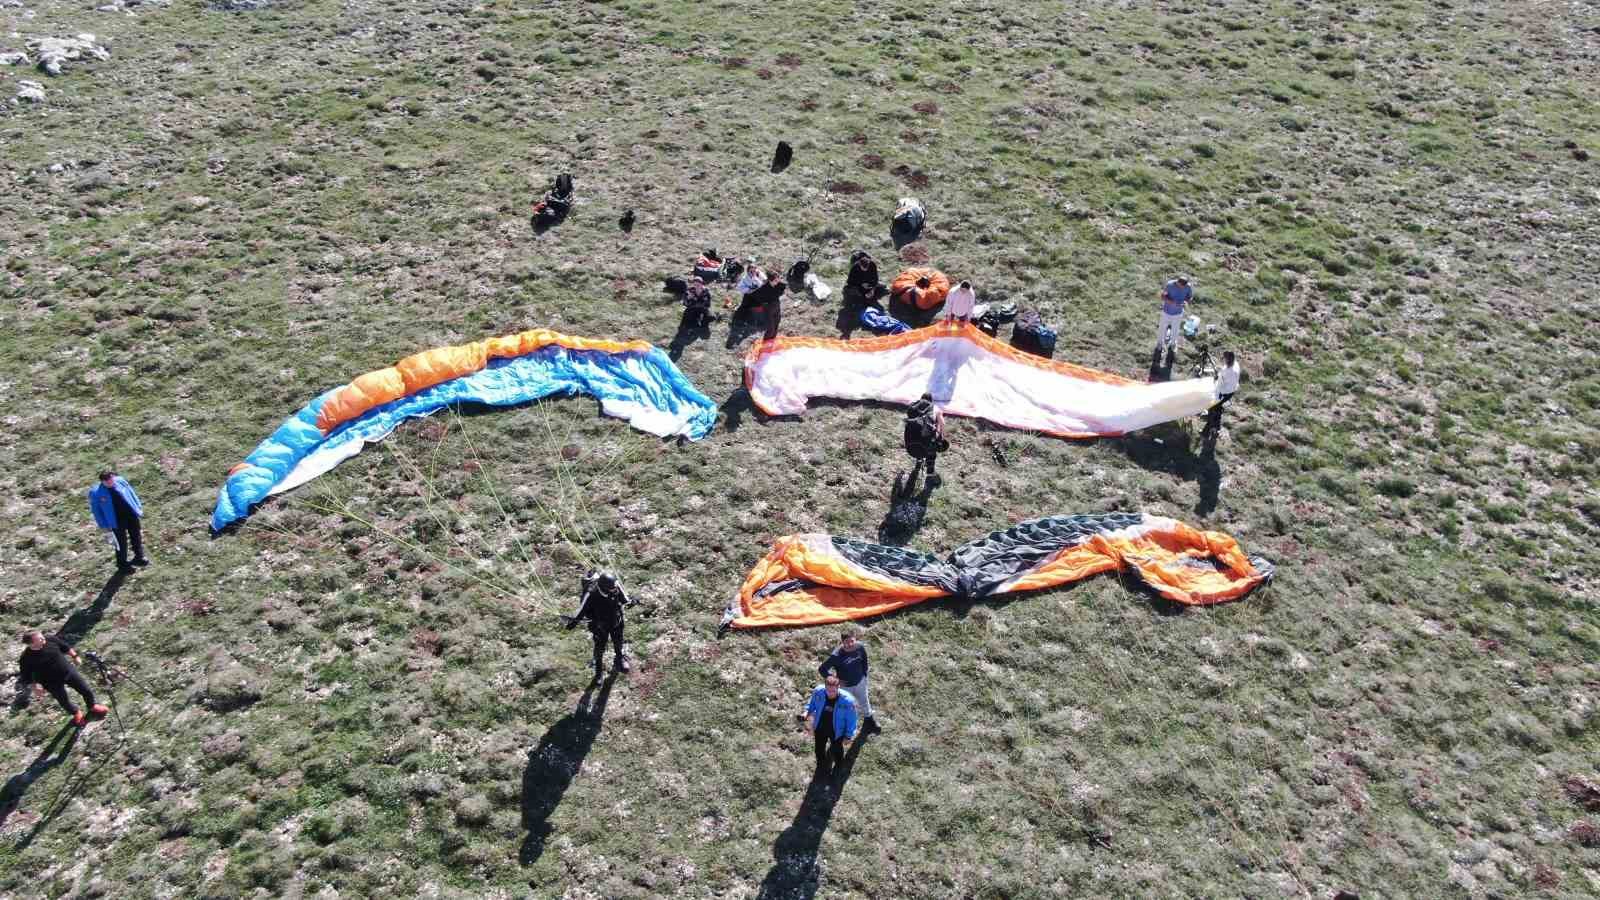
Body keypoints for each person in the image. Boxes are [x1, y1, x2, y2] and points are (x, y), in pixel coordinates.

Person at [16, 630, 108, 727]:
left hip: (68, 672)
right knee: (64, 701)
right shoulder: (26, 658)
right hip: (50, 682)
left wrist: (75, 656)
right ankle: (76, 713)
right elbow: (26, 675)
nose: (43, 638)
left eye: (42, 636)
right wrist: (35, 687)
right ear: (31, 643)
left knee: (86, 690)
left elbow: (65, 647)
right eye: (40, 638)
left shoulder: (50, 639)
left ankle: (92, 706)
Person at [565, 571, 635, 679]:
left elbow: (625, 600)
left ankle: (619, 658)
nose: (615, 589)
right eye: (612, 588)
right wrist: (573, 623)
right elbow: (582, 611)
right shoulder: (591, 593)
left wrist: (632, 602)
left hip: (616, 621)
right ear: (605, 588)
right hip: (600, 626)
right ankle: (598, 672)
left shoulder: (615, 587)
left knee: (618, 641)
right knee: (599, 648)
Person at [818, 631, 877, 732]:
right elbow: (822, 669)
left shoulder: (860, 647)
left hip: (860, 682)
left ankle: (869, 720)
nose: (850, 644)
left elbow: (864, 661)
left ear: (855, 639)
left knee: (865, 701)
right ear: (842, 642)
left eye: (852, 641)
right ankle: (845, 728)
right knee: (847, 707)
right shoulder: (836, 655)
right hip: (846, 688)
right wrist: (836, 680)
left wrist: (864, 676)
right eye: (846, 642)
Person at [88, 469, 146, 572]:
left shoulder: (120, 481)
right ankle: (122, 564)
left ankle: (139, 557)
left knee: (136, 536)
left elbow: (131, 493)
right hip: (116, 521)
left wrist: (138, 506)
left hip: (130, 515)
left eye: (111, 479)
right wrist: (104, 526)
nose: (111, 482)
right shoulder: (96, 493)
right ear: (102, 482)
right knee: (121, 543)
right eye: (107, 482)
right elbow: (97, 512)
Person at [803, 674, 858, 771]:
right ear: (825, 687)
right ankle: (821, 766)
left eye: (833, 691)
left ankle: (839, 765)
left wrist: (848, 735)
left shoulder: (848, 701)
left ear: (838, 687)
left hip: (837, 731)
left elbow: (852, 720)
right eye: (828, 690)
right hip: (820, 727)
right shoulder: (818, 691)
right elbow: (811, 704)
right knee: (819, 749)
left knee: (837, 749)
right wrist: (806, 712)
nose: (830, 693)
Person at [903, 393, 948, 485]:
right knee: (933, 440)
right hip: (925, 447)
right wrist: (941, 438)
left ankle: (919, 460)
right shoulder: (935, 409)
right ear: (931, 401)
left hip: (909, 447)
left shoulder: (913, 407)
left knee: (920, 435)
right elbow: (942, 424)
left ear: (921, 399)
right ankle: (930, 471)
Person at [1154, 274, 1193, 356]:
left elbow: (1189, 297)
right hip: (1166, 312)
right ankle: (1160, 344)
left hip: (1178, 313)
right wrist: (1171, 302)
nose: (1182, 288)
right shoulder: (1170, 285)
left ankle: (1173, 344)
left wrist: (1186, 302)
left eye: (1184, 287)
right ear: (1178, 282)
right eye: (1181, 286)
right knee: (1162, 329)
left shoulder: (1188, 287)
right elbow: (1163, 296)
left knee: (1175, 330)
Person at [1206, 351, 1240, 434]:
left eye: (1224, 358)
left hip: (1225, 392)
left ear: (1228, 359)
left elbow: (1222, 384)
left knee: (1212, 407)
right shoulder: (1235, 364)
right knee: (1218, 407)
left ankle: (1210, 429)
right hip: (1230, 391)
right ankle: (1216, 426)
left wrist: (1217, 378)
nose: (1223, 360)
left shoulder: (1230, 371)